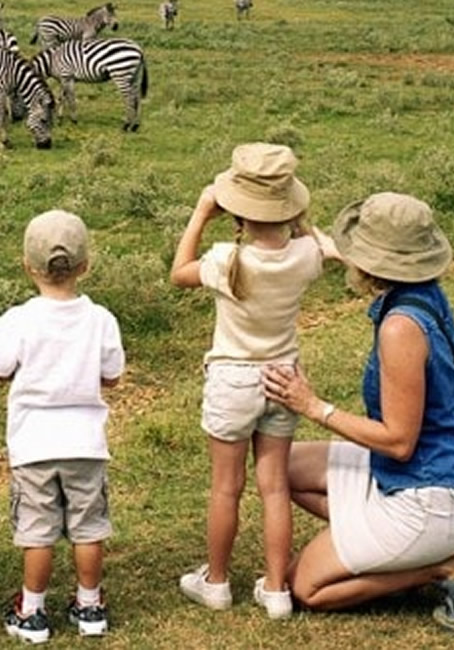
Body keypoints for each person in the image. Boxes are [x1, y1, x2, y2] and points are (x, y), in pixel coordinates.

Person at [262, 192, 454, 636]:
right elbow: (341, 251)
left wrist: (313, 405)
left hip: (431, 498)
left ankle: (449, 566)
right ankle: (383, 542)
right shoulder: (422, 292)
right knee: (281, 465)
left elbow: (398, 441)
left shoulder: (400, 329)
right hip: (422, 474)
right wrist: (299, 223)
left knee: (306, 587)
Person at [170, 143, 326, 619]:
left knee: (225, 487)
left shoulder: (226, 259)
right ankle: (277, 589)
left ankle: (216, 581)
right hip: (283, 376)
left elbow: (179, 272)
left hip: (233, 378)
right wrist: (298, 219)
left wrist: (200, 213)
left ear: (236, 209)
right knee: (274, 486)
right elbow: (311, 238)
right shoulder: (307, 254)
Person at [0, 210, 125, 643]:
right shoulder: (101, 319)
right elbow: (113, 373)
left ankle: (32, 612)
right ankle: (89, 606)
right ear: (86, 265)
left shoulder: (17, 320)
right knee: (88, 527)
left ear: (27, 266)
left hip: (33, 445)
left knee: (37, 531)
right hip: (85, 443)